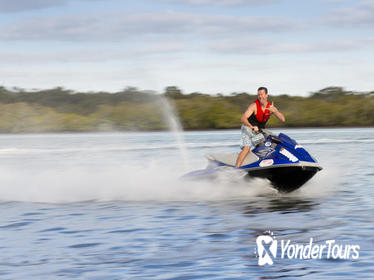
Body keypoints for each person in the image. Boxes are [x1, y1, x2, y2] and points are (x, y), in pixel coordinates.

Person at [235, 87, 285, 167]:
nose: (260, 97)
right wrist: (252, 127)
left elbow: (283, 119)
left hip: (259, 130)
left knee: (275, 142)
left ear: (266, 95)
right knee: (247, 148)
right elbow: (243, 118)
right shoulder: (254, 106)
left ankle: (274, 162)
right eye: (259, 95)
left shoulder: (270, 107)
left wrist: (275, 111)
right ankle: (236, 168)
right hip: (247, 127)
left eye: (262, 94)